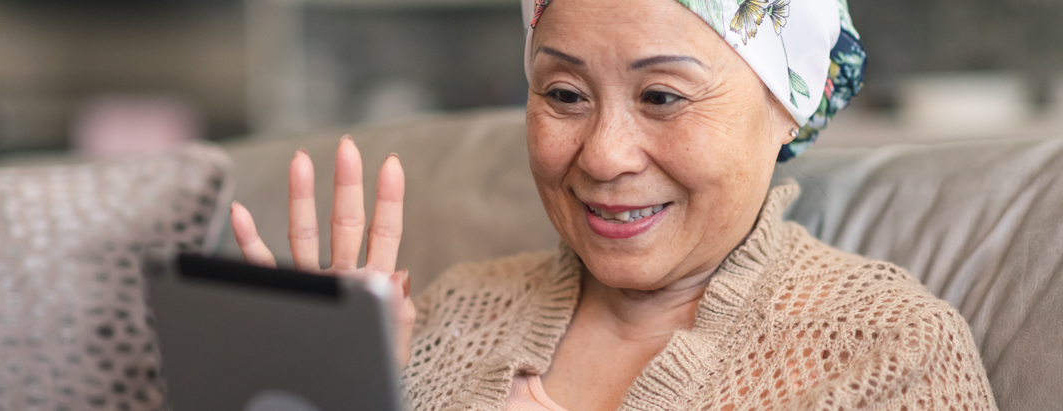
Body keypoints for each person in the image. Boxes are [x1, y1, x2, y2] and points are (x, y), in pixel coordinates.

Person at [230, 0, 998, 409]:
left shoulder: (888, 351)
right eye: (563, 94)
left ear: (787, 106)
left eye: (662, 95)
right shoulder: (446, 317)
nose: (602, 155)